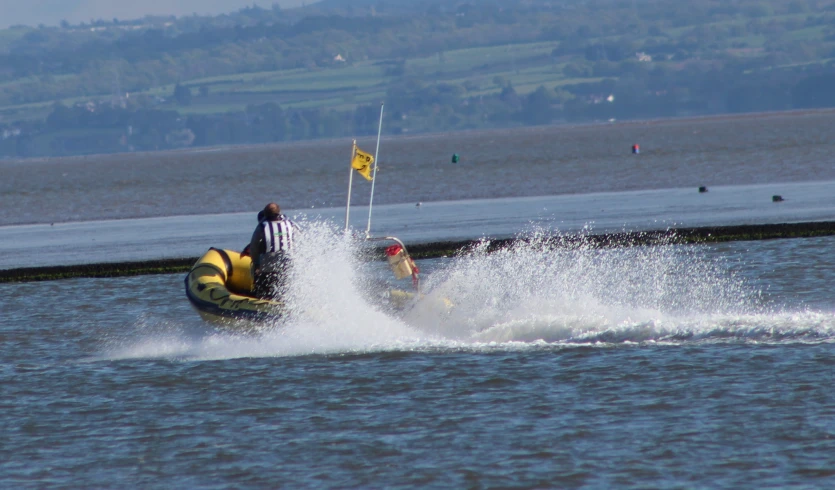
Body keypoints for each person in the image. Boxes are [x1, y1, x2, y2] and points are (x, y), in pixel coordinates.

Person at [249, 202, 300, 298]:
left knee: (259, 274)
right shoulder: (291, 224)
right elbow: (300, 241)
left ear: (266, 214)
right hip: (288, 262)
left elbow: (254, 248)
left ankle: (261, 297)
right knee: (284, 282)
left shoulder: (262, 227)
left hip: (268, 264)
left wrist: (256, 265)